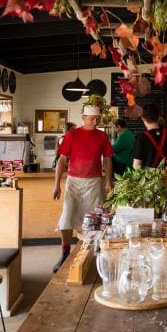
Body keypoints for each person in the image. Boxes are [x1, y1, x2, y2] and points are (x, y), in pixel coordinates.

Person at [51, 105, 113, 273]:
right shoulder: (72, 135)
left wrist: (109, 182)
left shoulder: (102, 136)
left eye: (97, 119)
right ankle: (65, 253)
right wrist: (56, 185)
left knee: (97, 220)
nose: (95, 121)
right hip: (74, 182)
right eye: (92, 119)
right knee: (67, 217)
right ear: (84, 118)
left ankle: (97, 254)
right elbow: (62, 161)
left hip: (94, 182)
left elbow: (107, 160)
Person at [132, 104, 167, 174]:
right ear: (158, 117)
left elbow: (136, 165)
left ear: (143, 118)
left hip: (150, 181)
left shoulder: (142, 137)